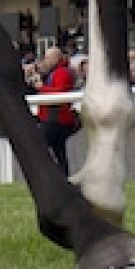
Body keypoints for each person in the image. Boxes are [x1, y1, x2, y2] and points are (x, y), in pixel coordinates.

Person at [35, 45, 78, 174]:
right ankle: (63, 176)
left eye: (47, 58)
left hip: (56, 118)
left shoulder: (62, 72)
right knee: (59, 151)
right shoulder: (55, 72)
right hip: (53, 117)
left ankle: (49, 175)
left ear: (55, 58)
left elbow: (60, 91)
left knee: (39, 146)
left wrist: (41, 88)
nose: (45, 61)